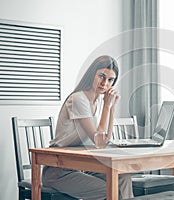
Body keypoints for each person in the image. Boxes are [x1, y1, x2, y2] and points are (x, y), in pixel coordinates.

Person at [42, 55, 134, 199]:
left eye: (110, 80)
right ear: (92, 74)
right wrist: (107, 106)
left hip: (80, 166)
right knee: (108, 189)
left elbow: (105, 141)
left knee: (123, 177)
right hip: (59, 170)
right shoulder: (79, 99)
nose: (105, 83)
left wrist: (112, 107)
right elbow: (99, 141)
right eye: (101, 76)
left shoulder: (95, 102)